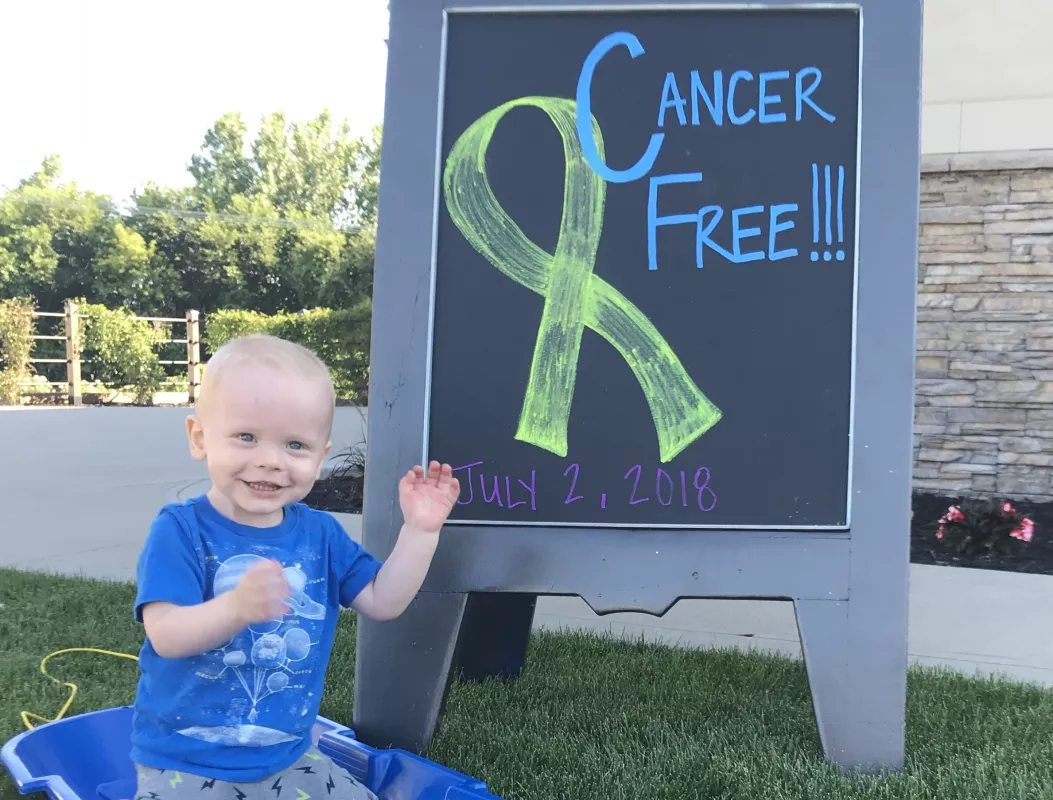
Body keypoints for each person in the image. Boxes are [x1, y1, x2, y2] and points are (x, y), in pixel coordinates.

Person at [130, 333, 459, 800]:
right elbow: (166, 636)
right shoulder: (180, 530)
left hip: (288, 757)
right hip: (183, 762)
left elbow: (384, 600)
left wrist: (421, 532)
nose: (270, 461)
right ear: (199, 437)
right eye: (246, 437)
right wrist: (236, 609)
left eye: (295, 445)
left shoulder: (320, 534)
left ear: (321, 456)